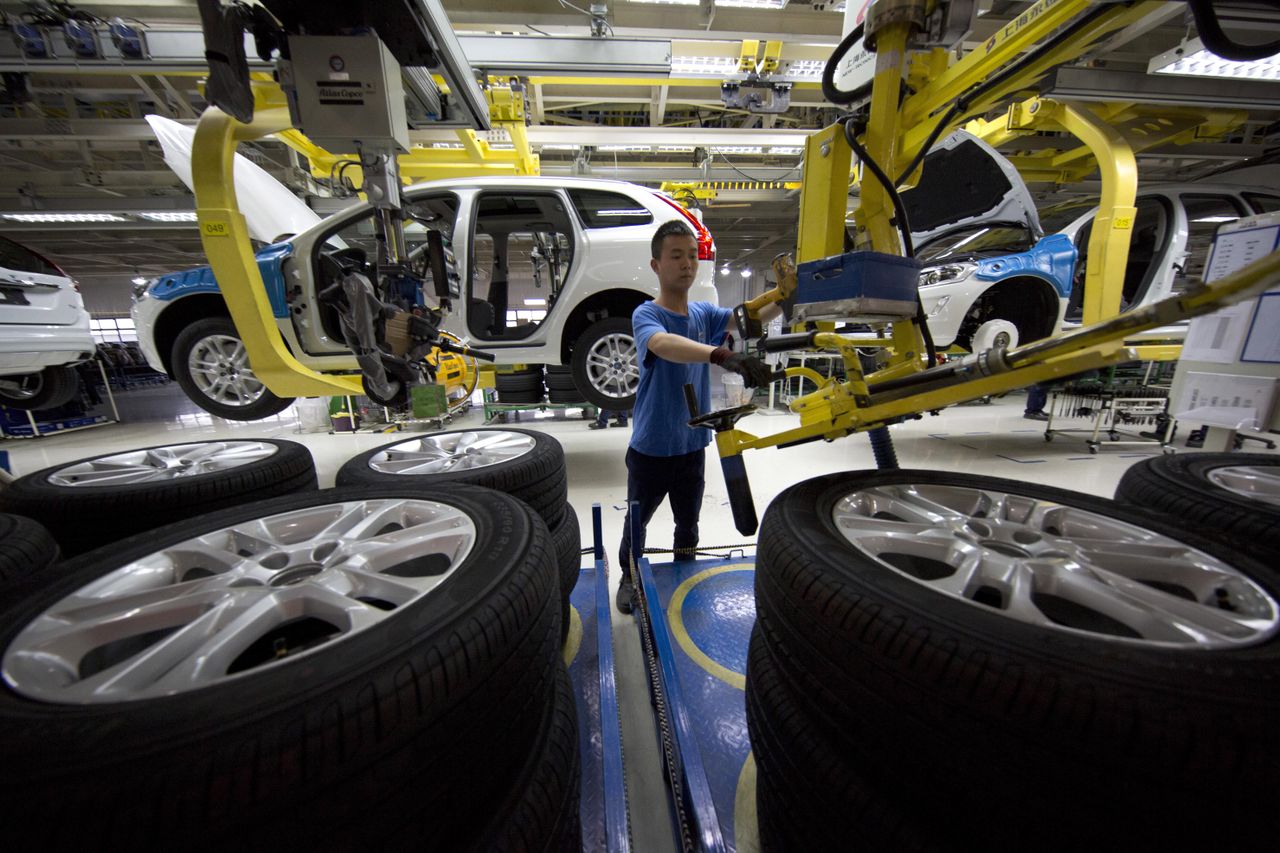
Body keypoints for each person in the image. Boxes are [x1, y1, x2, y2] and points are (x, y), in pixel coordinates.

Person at [615, 220, 777, 614]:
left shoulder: (704, 313)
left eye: (692, 256)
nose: (687, 264)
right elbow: (665, 345)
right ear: (656, 265)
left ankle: (684, 571)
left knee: (688, 524)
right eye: (676, 256)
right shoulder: (645, 314)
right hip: (652, 448)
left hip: (692, 446)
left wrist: (786, 295)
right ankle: (627, 576)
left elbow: (748, 318)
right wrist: (720, 354)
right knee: (638, 523)